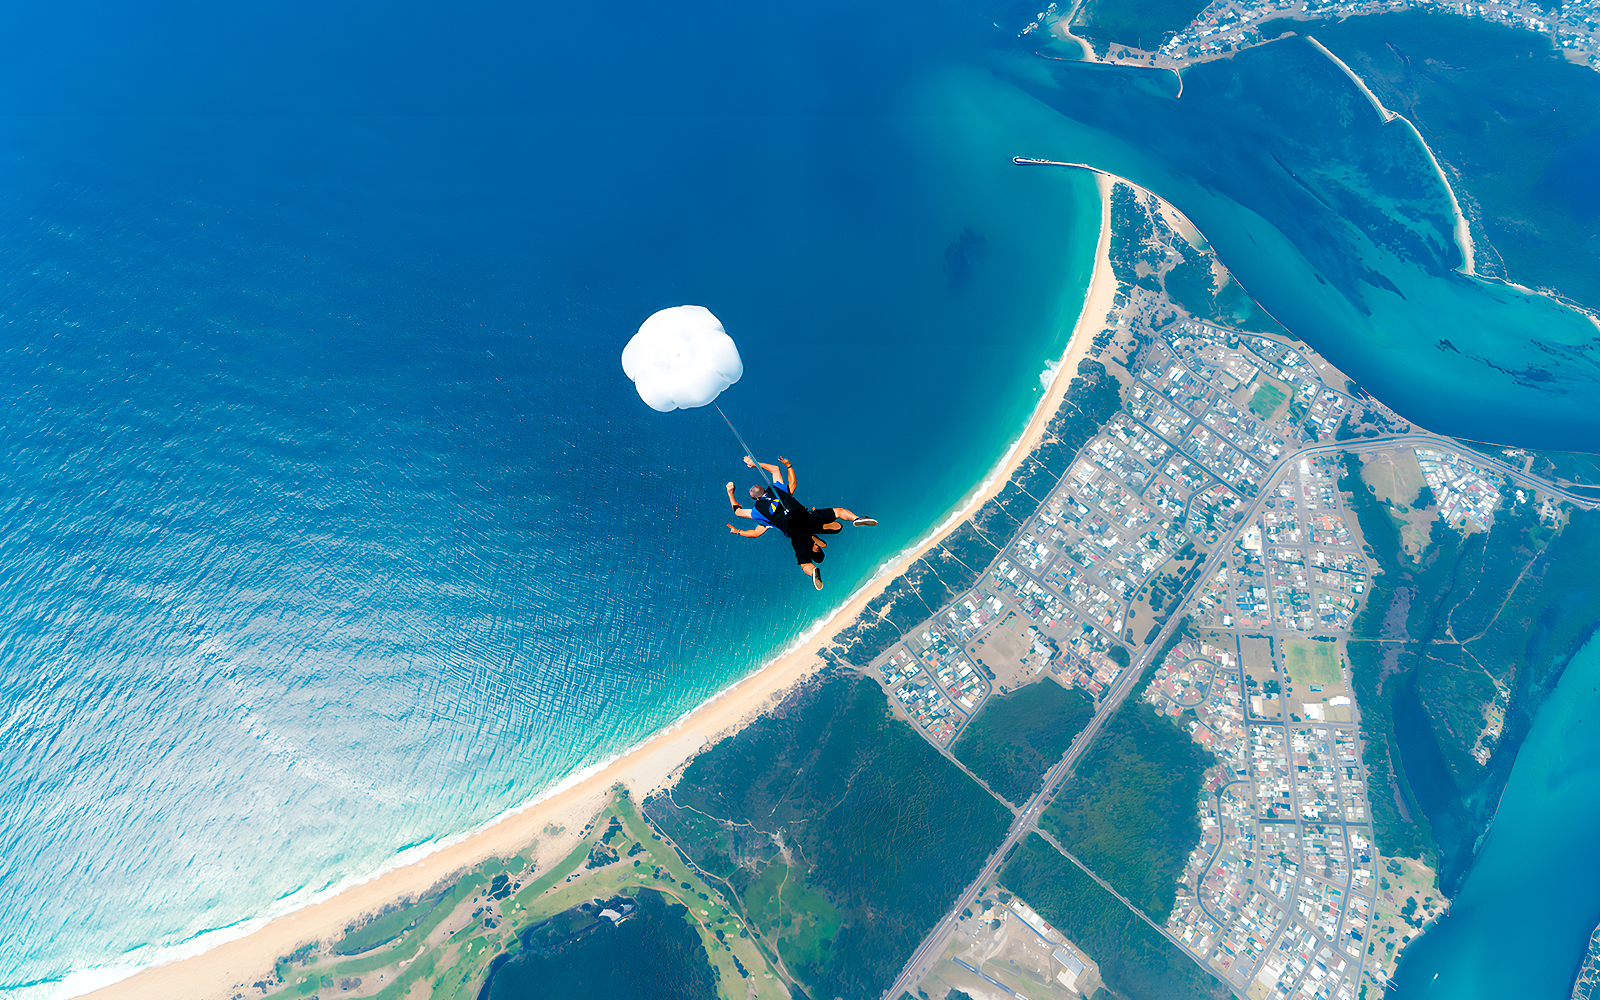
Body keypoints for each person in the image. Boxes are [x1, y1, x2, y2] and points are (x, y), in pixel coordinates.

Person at [725, 454, 876, 590]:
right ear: (763, 490)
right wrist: (755, 463)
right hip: (808, 518)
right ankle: (857, 519)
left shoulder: (758, 513)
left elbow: (742, 517)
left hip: (796, 534)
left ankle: (813, 571)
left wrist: (730, 493)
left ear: (756, 499)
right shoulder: (778, 489)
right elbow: (775, 470)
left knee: (804, 563)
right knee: (839, 512)